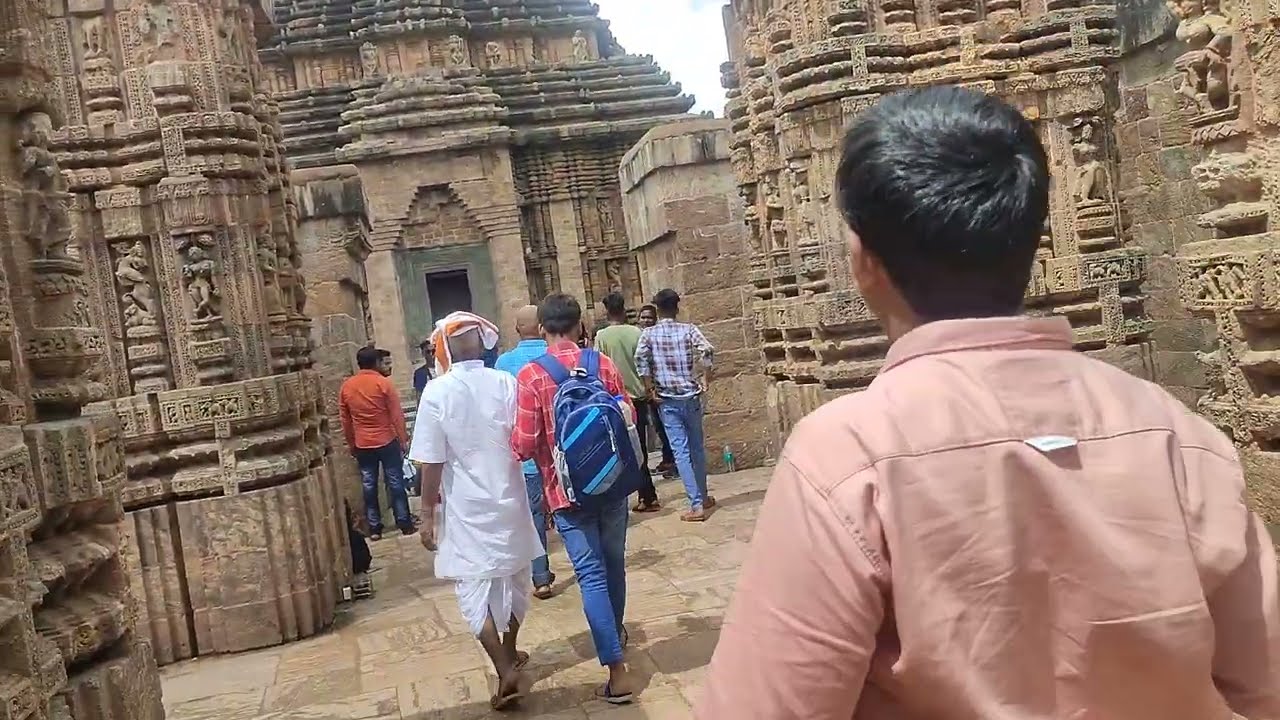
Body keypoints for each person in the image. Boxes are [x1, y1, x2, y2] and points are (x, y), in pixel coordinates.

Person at [698, 86, 1280, 719]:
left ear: (863, 260)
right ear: (1033, 238)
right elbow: (1263, 684)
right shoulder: (1177, 434)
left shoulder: (847, 457)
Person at [411, 312, 545, 711]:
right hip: (511, 497)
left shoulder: (437, 392)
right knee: (516, 578)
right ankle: (510, 651)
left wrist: (426, 514)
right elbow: (526, 438)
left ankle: (504, 667)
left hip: (466, 507)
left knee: (473, 588)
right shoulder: (505, 382)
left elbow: (431, 461)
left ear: (444, 350)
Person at [511, 293, 636, 704]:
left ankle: (616, 670)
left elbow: (524, 444)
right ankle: (615, 634)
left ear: (542, 329)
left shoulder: (532, 375)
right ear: (580, 326)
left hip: (564, 492)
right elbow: (628, 415)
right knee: (614, 565)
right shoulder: (601, 364)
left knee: (591, 575)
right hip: (612, 483)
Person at [636, 289, 715, 522]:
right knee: (696, 448)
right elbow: (707, 349)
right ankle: (703, 495)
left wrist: (649, 388)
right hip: (690, 396)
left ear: (658, 309)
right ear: (677, 308)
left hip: (667, 399)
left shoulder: (649, 334)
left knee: (681, 451)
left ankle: (696, 504)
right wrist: (705, 378)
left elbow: (640, 359)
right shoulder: (688, 330)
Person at [495, 304, 557, 600]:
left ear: (517, 329)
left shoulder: (504, 363)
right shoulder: (558, 356)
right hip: (562, 452)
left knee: (534, 517)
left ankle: (541, 578)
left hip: (528, 455)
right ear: (542, 326)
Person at [339, 346, 415, 540]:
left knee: (369, 484)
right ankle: (404, 522)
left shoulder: (347, 387)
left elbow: (346, 420)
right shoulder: (383, 384)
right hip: (386, 440)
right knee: (395, 481)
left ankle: (374, 528)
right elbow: (396, 415)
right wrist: (403, 439)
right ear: (376, 363)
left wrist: (351, 443)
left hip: (363, 443)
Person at [594, 293, 661, 513]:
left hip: (616, 400)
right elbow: (648, 362)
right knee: (639, 446)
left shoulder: (602, 337)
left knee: (621, 450)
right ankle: (647, 494)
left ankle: (634, 496)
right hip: (638, 397)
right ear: (623, 309)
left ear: (607, 312)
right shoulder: (636, 333)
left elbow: (599, 367)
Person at [637, 304, 674, 476]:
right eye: (643, 317)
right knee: (658, 426)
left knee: (665, 425)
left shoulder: (656, 336)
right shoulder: (639, 336)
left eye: (649, 317)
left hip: (660, 387)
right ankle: (667, 459)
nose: (646, 320)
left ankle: (671, 461)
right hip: (649, 388)